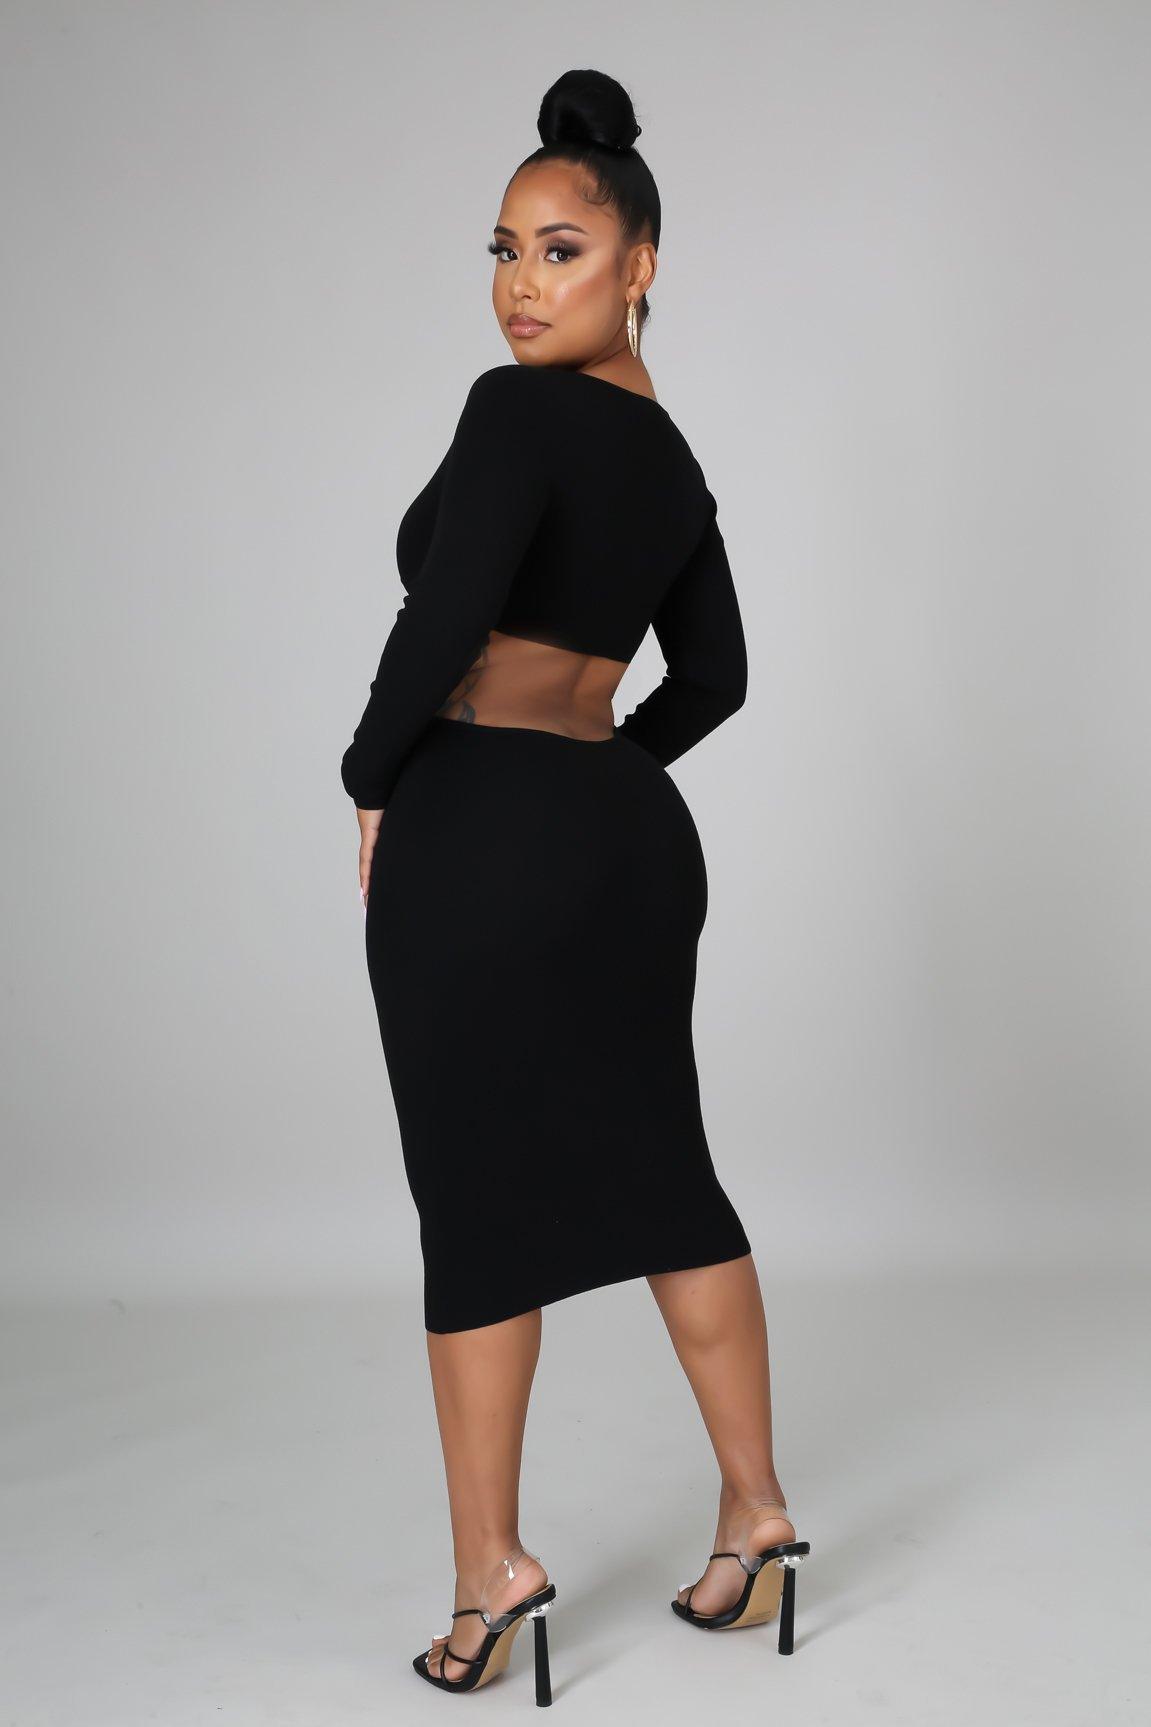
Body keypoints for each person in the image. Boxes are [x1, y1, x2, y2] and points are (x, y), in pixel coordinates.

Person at [340, 68, 810, 1700]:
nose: (521, 286)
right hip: (627, 839)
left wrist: (372, 779)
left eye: (561, 250)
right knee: (669, 1169)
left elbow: (441, 620)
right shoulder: (674, 464)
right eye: (504, 251)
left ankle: (493, 1574)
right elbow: (718, 679)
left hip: (477, 827)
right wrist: (604, 773)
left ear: (639, 264)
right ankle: (757, 1511)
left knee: (475, 1199)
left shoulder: (511, 410)